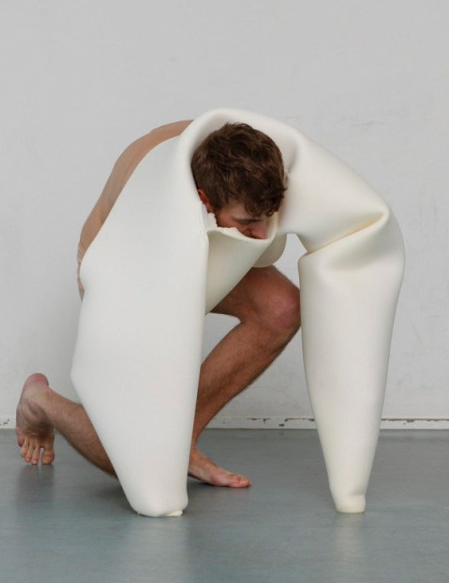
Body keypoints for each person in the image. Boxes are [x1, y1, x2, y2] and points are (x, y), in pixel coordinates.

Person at [16, 120, 301, 488]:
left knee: (282, 307)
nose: (262, 235)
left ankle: (181, 443)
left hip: (195, 252)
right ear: (203, 198)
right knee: (133, 458)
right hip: (121, 272)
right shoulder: (155, 195)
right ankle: (39, 401)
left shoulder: (228, 151)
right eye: (247, 222)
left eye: (266, 220)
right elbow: (153, 291)